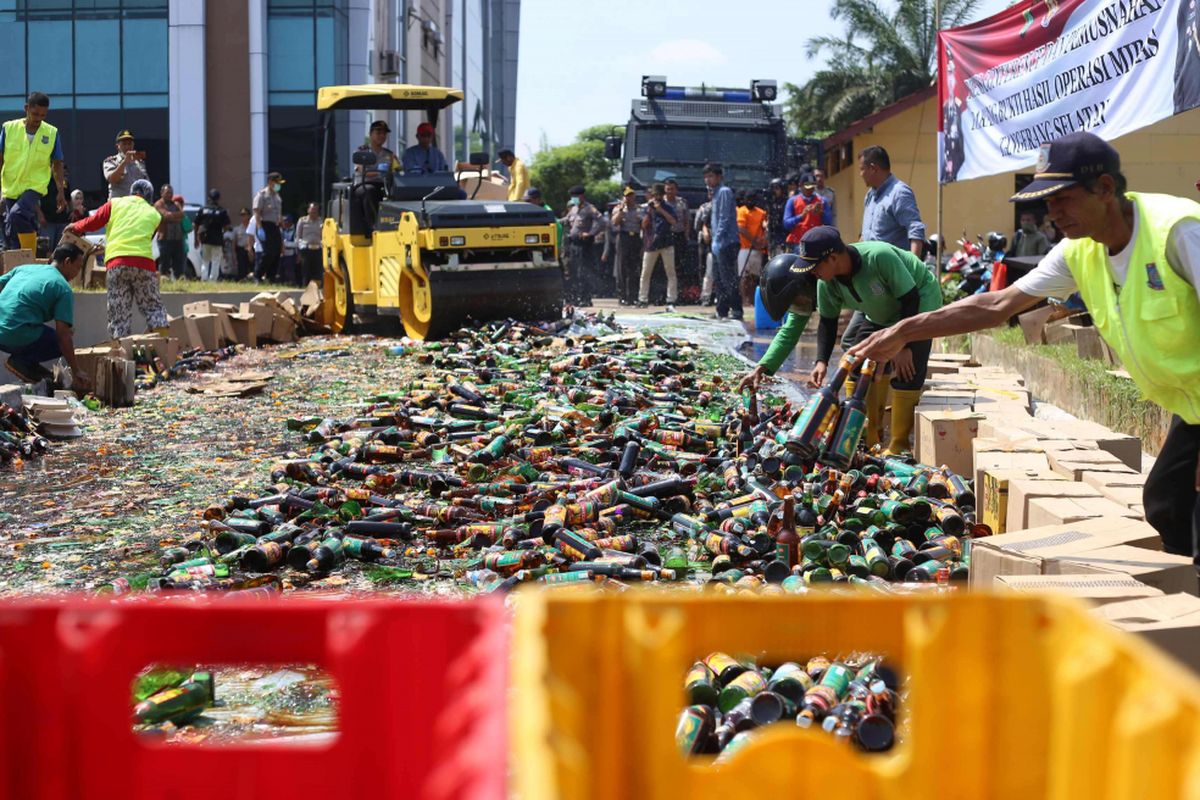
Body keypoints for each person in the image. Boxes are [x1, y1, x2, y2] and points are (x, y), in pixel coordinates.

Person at [852, 130, 1200, 565]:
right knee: (1168, 504)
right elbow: (998, 304)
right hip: (1193, 409)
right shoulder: (1079, 251)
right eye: (1047, 203)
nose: (1053, 214)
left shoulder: (1178, 232)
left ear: (1106, 189)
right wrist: (905, 330)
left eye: (1063, 200)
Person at [746, 226, 941, 454]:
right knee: (858, 361)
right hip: (879, 311)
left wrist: (903, 343)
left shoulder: (879, 257)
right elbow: (827, 323)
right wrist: (820, 361)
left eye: (815, 267)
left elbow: (910, 298)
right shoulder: (826, 282)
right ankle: (869, 437)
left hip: (917, 305)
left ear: (833, 258)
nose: (813, 273)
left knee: (907, 370)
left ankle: (898, 445)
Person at [67, 179, 169, 340]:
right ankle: (163, 350)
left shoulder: (115, 203)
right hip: (144, 264)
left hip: (117, 264)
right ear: (148, 196)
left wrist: (75, 227)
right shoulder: (154, 214)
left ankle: (121, 356)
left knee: (119, 314)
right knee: (153, 308)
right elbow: (147, 238)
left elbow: (93, 222)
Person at [0, 242, 89, 389]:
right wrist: (76, 370)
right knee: (63, 339)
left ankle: (28, 364)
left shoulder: (24, 269)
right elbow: (63, 336)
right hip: (15, 334)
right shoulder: (62, 287)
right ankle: (22, 362)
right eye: (78, 267)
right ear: (67, 262)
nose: (77, 273)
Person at [0, 92, 66, 252]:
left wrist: (60, 191)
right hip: (11, 186)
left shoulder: (51, 133)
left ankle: (32, 243)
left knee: (16, 214)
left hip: (35, 186)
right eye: (35, 114)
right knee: (11, 229)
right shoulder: (9, 128)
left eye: (43, 115)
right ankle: (19, 264)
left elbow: (57, 163)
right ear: (26, 108)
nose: (38, 118)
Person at [859, 145, 926, 256]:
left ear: (873, 168)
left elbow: (915, 231)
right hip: (871, 269)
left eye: (862, 169)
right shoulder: (870, 196)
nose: (860, 174)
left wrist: (912, 269)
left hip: (893, 270)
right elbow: (866, 235)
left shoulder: (899, 193)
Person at [705, 163, 741, 320]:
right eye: (706, 176)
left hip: (727, 242)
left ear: (719, 177)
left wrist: (718, 239)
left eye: (711, 176)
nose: (708, 179)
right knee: (718, 279)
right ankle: (722, 310)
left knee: (728, 279)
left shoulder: (724, 192)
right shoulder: (715, 193)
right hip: (718, 242)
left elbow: (724, 218)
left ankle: (737, 310)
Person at [355, 120, 400, 232]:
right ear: (370, 134)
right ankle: (373, 226)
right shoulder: (362, 151)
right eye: (378, 132)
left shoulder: (389, 154)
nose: (382, 136)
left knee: (399, 191)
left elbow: (398, 170)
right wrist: (380, 172)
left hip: (384, 185)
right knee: (370, 191)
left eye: (384, 133)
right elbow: (362, 170)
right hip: (364, 184)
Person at [638, 182, 677, 309]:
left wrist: (660, 210)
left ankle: (671, 298)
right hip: (651, 244)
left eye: (659, 195)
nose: (656, 198)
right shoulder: (647, 208)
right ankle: (642, 298)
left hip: (666, 243)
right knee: (645, 272)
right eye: (654, 195)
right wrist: (650, 211)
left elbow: (674, 221)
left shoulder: (668, 207)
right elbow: (643, 225)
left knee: (670, 272)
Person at [563, 185, 603, 306]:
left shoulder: (590, 208)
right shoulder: (574, 209)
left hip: (584, 244)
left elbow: (602, 221)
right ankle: (577, 297)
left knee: (584, 271)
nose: (573, 199)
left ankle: (586, 298)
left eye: (575, 196)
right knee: (574, 271)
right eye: (572, 196)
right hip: (573, 244)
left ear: (581, 196)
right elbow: (566, 219)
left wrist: (591, 233)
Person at [611, 186, 644, 305]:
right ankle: (622, 296)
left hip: (635, 237)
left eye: (631, 195)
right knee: (622, 268)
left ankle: (633, 296)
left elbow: (644, 225)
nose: (630, 198)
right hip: (623, 237)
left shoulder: (639, 209)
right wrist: (621, 210)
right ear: (623, 197)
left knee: (634, 268)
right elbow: (614, 222)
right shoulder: (618, 209)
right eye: (627, 195)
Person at [736, 190, 768, 307]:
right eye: (747, 199)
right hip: (745, 248)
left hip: (758, 250)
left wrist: (763, 241)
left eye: (752, 200)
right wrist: (754, 242)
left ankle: (753, 300)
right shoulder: (741, 211)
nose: (749, 202)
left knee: (754, 276)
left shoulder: (762, 213)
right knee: (744, 276)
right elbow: (741, 229)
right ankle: (744, 300)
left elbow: (765, 228)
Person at [784, 173, 830, 250]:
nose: (810, 189)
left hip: (817, 242)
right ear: (800, 185)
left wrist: (821, 213)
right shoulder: (792, 201)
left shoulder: (822, 201)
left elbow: (829, 223)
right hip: (798, 244)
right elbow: (786, 224)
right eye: (807, 187)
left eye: (812, 186)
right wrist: (801, 216)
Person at [252, 172, 284, 282]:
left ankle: (271, 277)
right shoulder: (262, 195)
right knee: (268, 252)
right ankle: (258, 275)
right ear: (270, 182)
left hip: (275, 226)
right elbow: (257, 211)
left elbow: (278, 213)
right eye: (277, 182)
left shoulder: (277, 196)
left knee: (277, 252)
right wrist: (259, 227)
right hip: (265, 226)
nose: (278, 185)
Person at [194, 189, 231, 282]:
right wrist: (222, 232)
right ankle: (212, 280)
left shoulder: (203, 210)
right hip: (217, 239)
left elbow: (196, 224)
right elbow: (227, 226)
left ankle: (204, 279)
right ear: (218, 198)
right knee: (215, 261)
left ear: (209, 198)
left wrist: (196, 238)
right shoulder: (222, 211)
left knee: (205, 261)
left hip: (205, 239)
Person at [103, 130, 149, 200]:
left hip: (135, 204)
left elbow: (146, 183)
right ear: (117, 146)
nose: (127, 147)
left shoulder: (139, 162)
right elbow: (113, 179)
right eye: (124, 144)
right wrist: (124, 162)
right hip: (119, 204)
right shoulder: (112, 161)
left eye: (129, 144)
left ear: (133, 145)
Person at [663, 178, 691, 293]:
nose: (670, 191)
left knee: (679, 265)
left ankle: (679, 293)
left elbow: (687, 220)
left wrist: (686, 235)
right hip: (665, 236)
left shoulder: (682, 202)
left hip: (679, 236)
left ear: (676, 190)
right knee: (665, 266)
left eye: (672, 189)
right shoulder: (661, 203)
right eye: (668, 189)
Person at [154, 184, 185, 279]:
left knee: (178, 262)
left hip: (177, 239)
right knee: (164, 262)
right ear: (162, 193)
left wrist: (171, 217)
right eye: (167, 193)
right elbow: (165, 216)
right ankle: (164, 280)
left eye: (171, 193)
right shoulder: (159, 204)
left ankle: (179, 279)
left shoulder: (176, 204)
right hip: (165, 238)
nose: (169, 195)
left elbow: (182, 214)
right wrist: (176, 217)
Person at [295, 202, 324, 286]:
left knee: (318, 271)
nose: (313, 213)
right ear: (308, 210)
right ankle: (305, 287)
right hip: (306, 249)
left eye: (315, 211)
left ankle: (318, 288)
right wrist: (298, 252)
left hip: (318, 249)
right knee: (305, 271)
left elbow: (323, 236)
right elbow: (298, 237)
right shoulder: (302, 221)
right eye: (312, 211)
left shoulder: (321, 221)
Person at [696, 192, 714, 305]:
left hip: (724, 243)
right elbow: (697, 225)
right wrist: (705, 230)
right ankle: (706, 297)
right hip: (708, 244)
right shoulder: (705, 208)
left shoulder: (727, 207)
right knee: (708, 271)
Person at [766, 178, 790, 256]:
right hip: (773, 236)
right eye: (773, 189)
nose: (774, 191)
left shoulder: (787, 202)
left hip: (783, 235)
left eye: (776, 188)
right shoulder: (771, 202)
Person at [233, 208, 253, 280]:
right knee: (241, 268)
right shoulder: (237, 229)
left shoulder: (253, 227)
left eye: (244, 214)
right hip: (240, 250)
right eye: (241, 215)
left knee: (251, 267)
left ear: (248, 216)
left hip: (251, 249)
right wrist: (234, 253)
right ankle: (242, 280)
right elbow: (234, 242)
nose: (243, 216)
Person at [280, 214, 298, 286]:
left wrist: (285, 244)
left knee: (290, 270)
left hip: (290, 253)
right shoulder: (281, 230)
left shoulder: (295, 231)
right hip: (281, 254)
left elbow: (296, 243)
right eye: (284, 222)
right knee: (281, 270)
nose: (285, 223)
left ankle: (291, 283)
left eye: (287, 222)